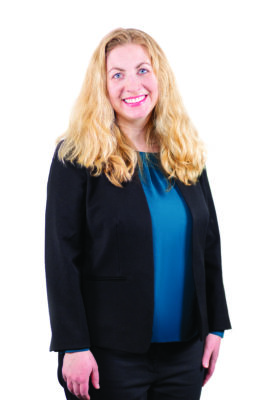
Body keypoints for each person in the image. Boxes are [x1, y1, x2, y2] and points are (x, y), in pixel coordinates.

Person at [45, 28, 231, 400]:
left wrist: (216, 327)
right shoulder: (77, 156)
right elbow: (62, 256)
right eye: (117, 74)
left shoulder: (184, 152)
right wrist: (73, 345)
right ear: (102, 86)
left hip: (184, 353)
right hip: (107, 355)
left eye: (143, 70)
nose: (133, 84)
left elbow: (208, 244)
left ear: (159, 76)